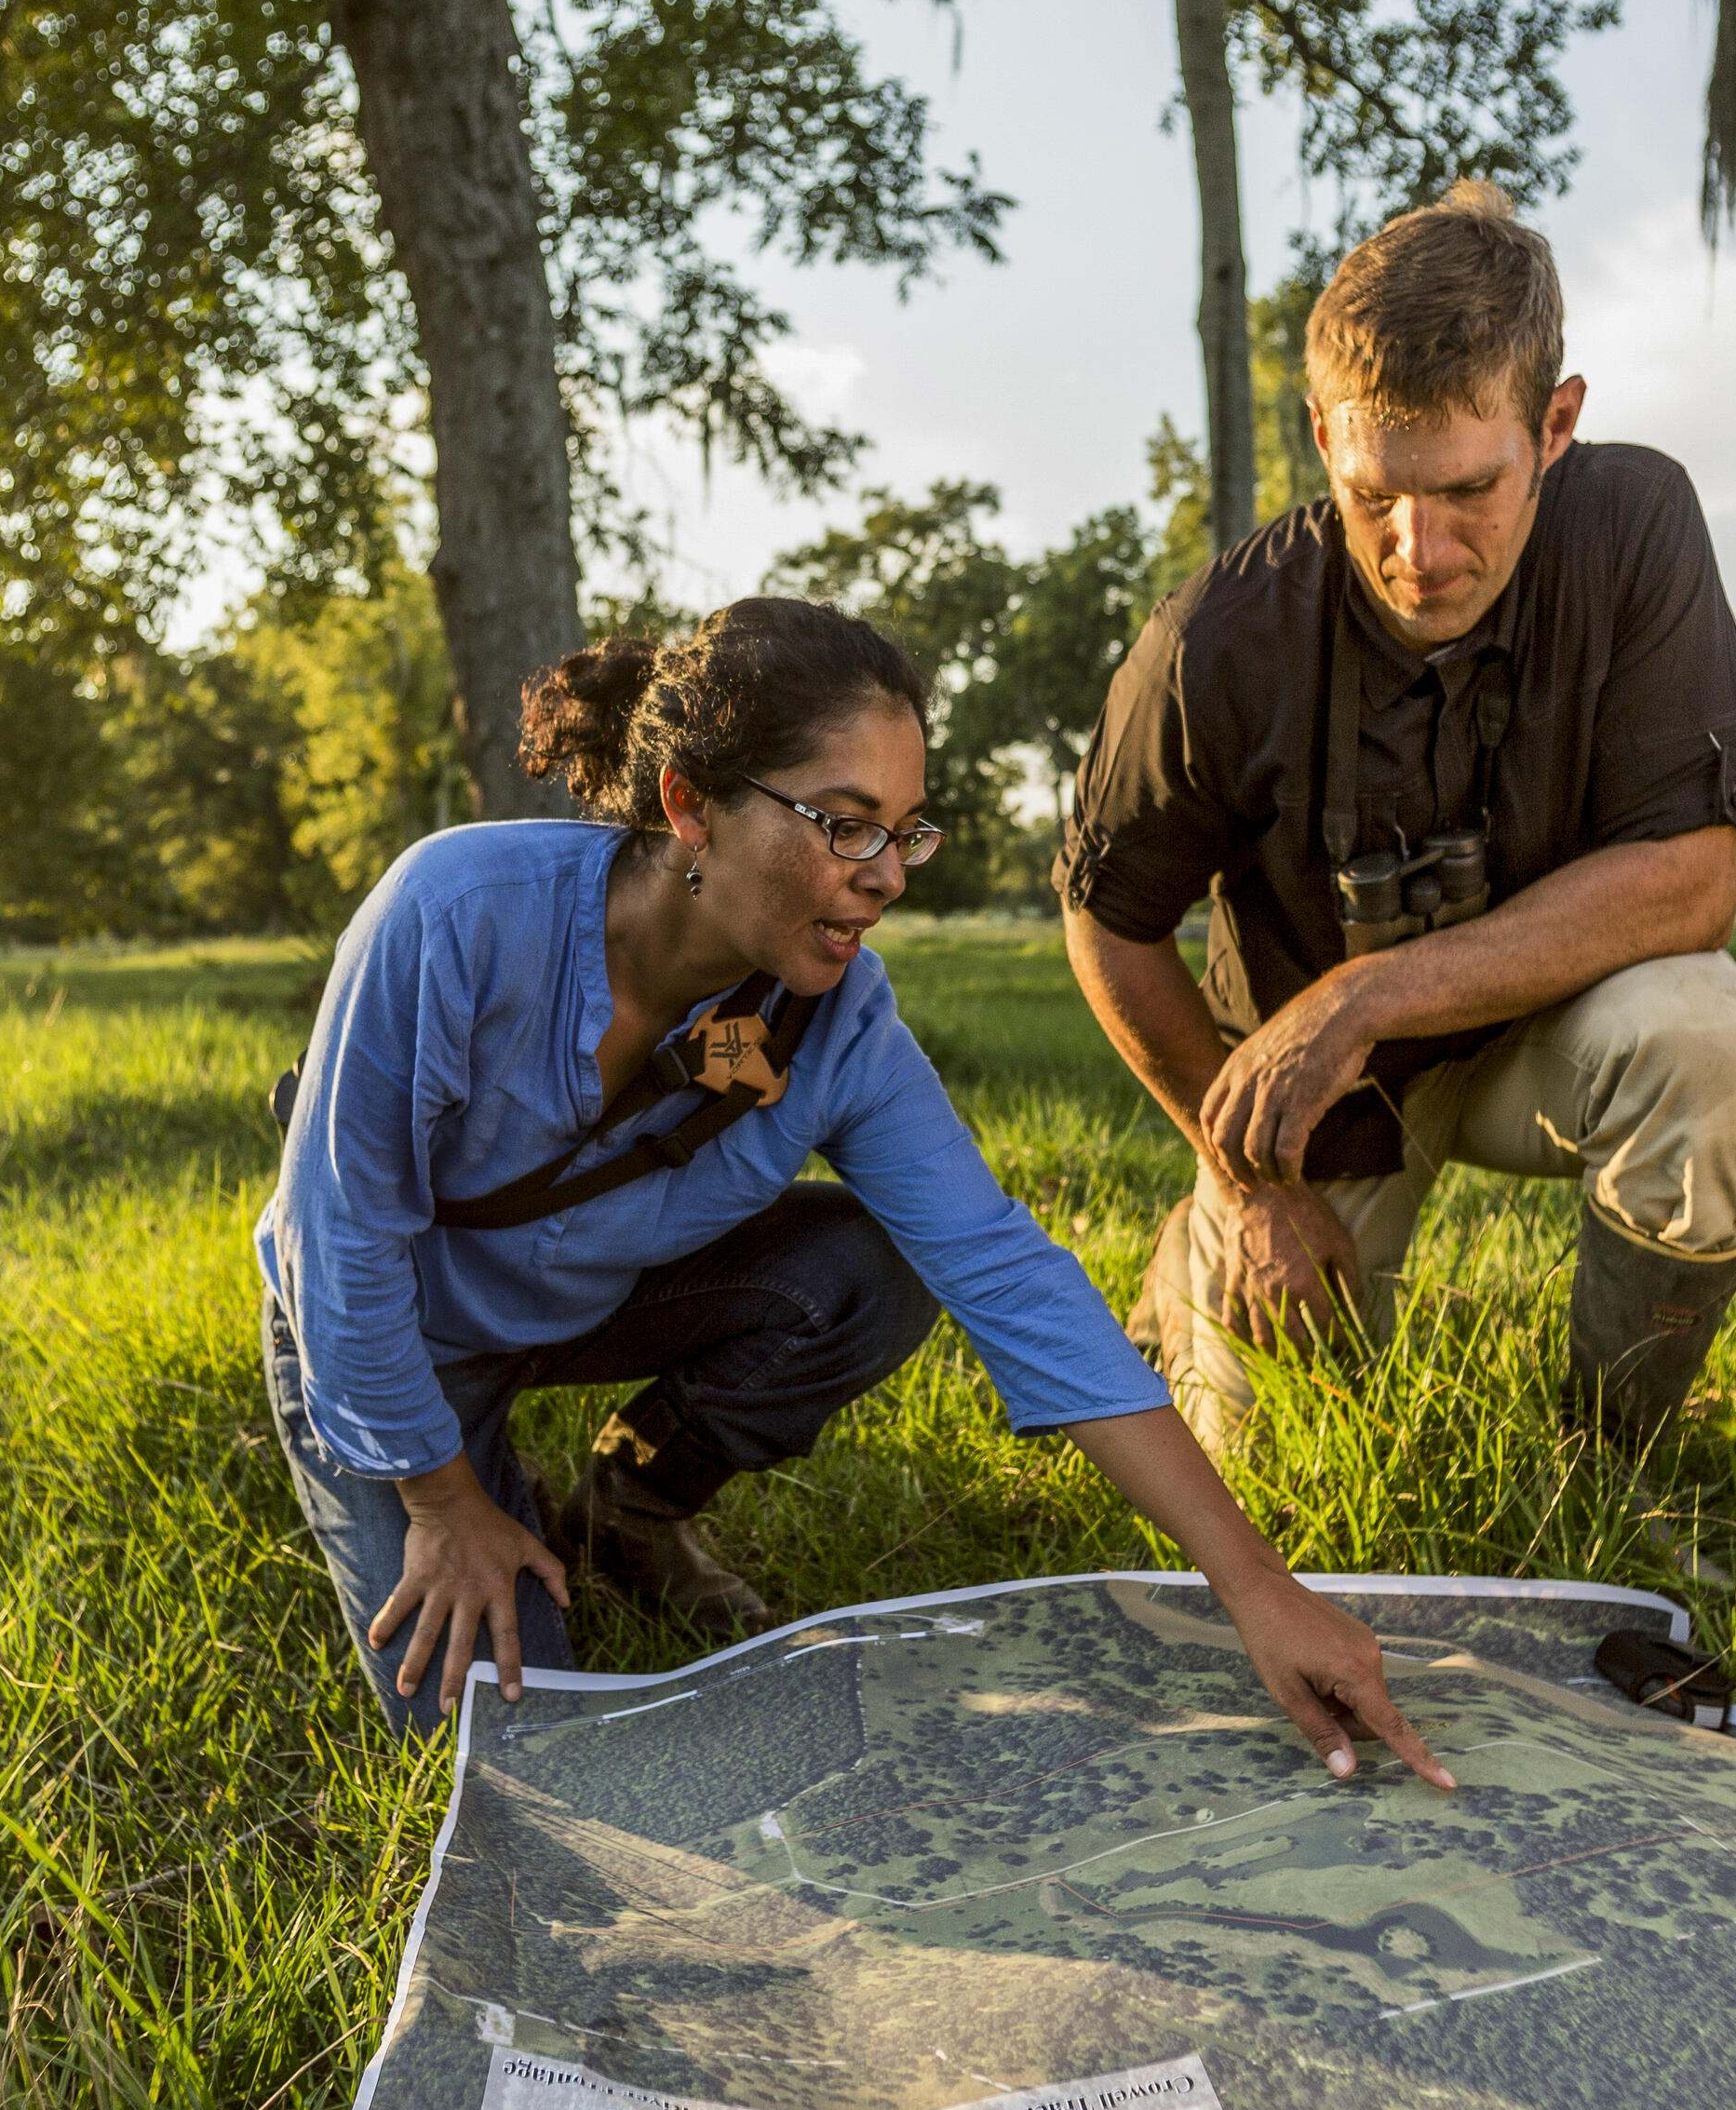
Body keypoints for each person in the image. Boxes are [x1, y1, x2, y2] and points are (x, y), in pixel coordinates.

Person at [258, 595, 1447, 1790]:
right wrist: (444, 1497)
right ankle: (472, 1481)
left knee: (864, 1273)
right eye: (845, 826)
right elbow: (341, 1236)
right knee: (520, 1754)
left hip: (583, 1299)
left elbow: (1004, 1270)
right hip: (386, 1337)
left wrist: (1254, 1586)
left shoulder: (839, 1025)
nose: (885, 880)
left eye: (906, 834)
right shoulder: (455, 915)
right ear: (689, 805)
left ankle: (631, 1507)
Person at [1056, 181, 1736, 1458]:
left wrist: (1362, 997)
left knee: (1716, 1042)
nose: (1419, 549)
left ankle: (1607, 1467)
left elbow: (1693, 879)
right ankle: (1195, 1256)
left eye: (1467, 488)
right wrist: (1248, 1183)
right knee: (1274, 1477)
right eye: (1370, 495)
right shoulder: (1211, 642)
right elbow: (1107, 920)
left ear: (1554, 425)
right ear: (1320, 435)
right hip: (1315, 1109)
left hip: (1538, 1029)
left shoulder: (1635, 526)